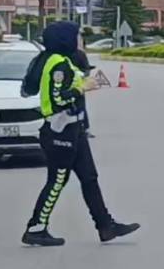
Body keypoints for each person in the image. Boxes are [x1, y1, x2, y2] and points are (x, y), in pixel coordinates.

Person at [22, 21, 139, 247]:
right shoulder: (58, 64)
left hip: (74, 129)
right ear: (65, 39)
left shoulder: (61, 60)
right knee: (57, 180)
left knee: (89, 177)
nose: (80, 40)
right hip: (60, 130)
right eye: (77, 36)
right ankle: (36, 228)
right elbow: (58, 100)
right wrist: (83, 87)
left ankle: (106, 225)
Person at [71, 34, 95, 138]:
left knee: (81, 107)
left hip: (78, 87)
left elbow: (86, 70)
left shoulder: (80, 54)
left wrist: (82, 74)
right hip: (63, 87)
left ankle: (85, 129)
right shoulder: (60, 54)